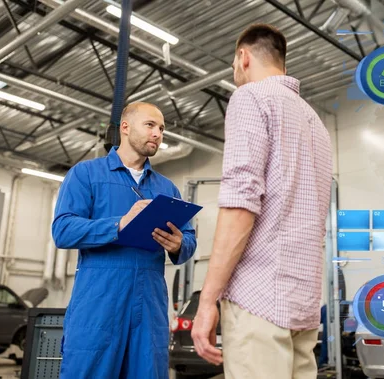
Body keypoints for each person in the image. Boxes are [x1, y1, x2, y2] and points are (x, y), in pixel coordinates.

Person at [191, 23, 333, 379]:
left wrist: (207, 300)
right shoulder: (315, 122)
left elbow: (241, 203)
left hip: (259, 300)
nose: (235, 73)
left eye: (233, 64)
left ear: (243, 57)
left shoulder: (250, 97)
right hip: (303, 305)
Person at [52, 102, 197, 379]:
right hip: (99, 302)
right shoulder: (86, 175)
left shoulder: (166, 188)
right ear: (126, 128)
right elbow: (63, 230)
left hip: (150, 305)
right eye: (150, 125)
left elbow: (188, 238)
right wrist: (118, 224)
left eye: (162, 129)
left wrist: (179, 245)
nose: (158, 133)